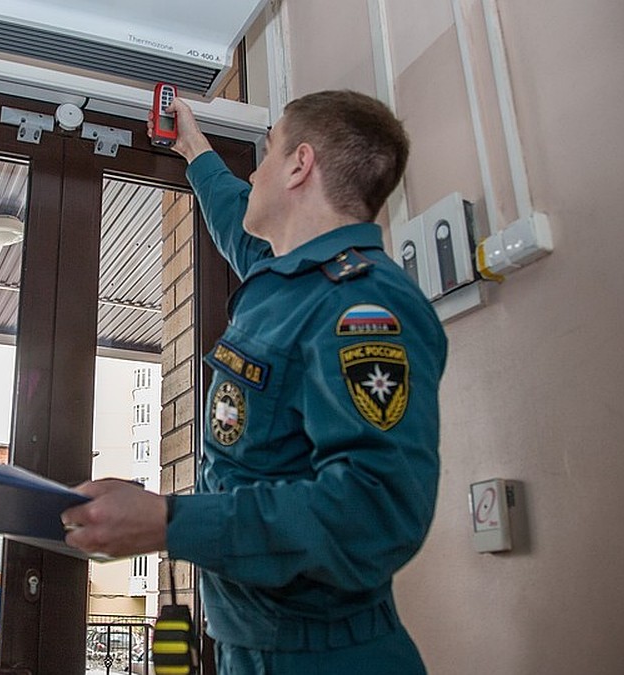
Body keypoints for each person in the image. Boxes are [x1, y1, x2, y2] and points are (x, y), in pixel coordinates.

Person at [62, 90, 448, 674]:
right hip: (251, 647)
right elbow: (232, 215)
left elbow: (375, 513)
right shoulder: (285, 278)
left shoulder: (364, 305)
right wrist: (192, 144)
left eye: (265, 154)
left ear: (300, 165)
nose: (255, 171)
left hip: (323, 658)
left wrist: (168, 520)